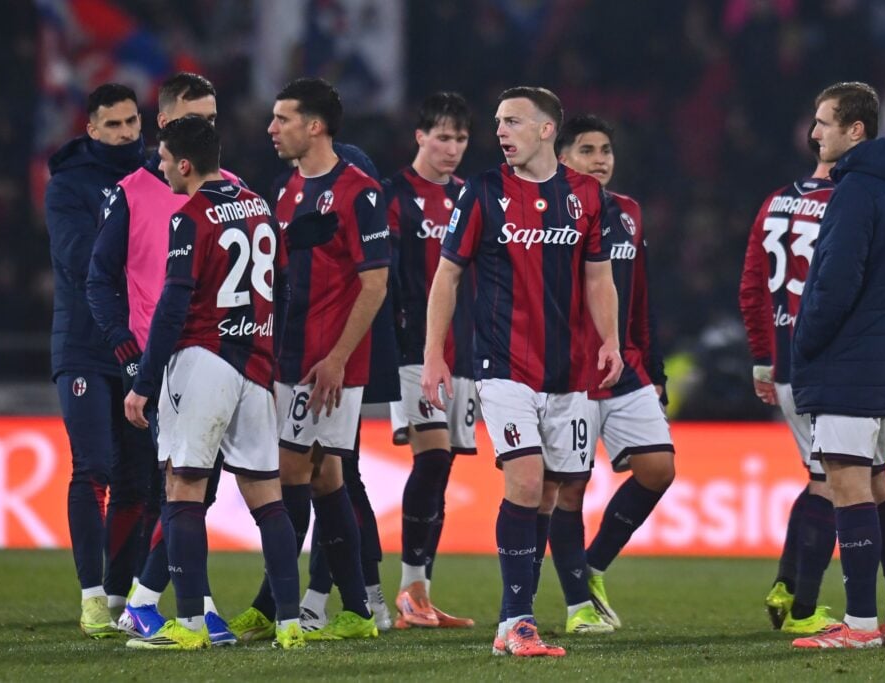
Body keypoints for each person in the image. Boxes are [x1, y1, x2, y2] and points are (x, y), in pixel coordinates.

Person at [422, 87, 623, 657]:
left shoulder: (585, 195)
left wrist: (610, 340)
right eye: (497, 121)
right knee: (528, 481)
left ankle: (520, 617)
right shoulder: (483, 191)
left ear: (544, 130)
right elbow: (448, 276)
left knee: (553, 493)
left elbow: (598, 276)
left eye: (512, 121)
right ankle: (514, 621)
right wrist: (435, 353)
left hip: (571, 370)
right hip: (502, 364)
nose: (501, 130)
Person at [122, 116, 303, 651]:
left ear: (184, 163)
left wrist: (144, 381)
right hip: (256, 365)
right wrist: (271, 353)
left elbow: (174, 303)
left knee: (183, 489)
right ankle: (289, 623)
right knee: (267, 498)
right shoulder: (258, 207)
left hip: (204, 360)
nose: (158, 166)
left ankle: (191, 625)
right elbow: (286, 290)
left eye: (162, 158)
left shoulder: (191, 216)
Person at [228, 77, 387, 643]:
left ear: (314, 126)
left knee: (295, 473)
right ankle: (356, 613)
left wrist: (340, 358)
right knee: (325, 477)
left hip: (328, 364)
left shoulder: (359, 192)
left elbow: (375, 284)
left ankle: (276, 604)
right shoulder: (285, 190)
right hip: (287, 356)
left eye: (283, 119)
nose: (271, 128)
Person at [87, 72, 240, 645]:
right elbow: (98, 281)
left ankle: (169, 604)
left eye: (211, 119)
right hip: (163, 366)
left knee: (194, 488)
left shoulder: (231, 191)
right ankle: (161, 605)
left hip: (220, 363)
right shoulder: (128, 194)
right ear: (164, 126)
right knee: (180, 488)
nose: (202, 129)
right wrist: (129, 355)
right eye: (189, 120)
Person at [790, 82, 885, 649]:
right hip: (880, 358)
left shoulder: (855, 191)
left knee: (847, 487)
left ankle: (862, 626)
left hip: (847, 361)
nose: (814, 133)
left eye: (824, 123)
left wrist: (806, 342)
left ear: (855, 131)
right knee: (877, 485)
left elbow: (835, 283)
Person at [553, 114, 675, 632]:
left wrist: (656, 365)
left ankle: (592, 563)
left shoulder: (628, 213)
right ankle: (579, 605)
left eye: (606, 149)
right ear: (562, 158)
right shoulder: (547, 213)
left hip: (625, 367)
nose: (600, 158)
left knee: (659, 469)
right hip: (570, 372)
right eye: (587, 150)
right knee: (570, 489)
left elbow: (640, 295)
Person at [45, 82, 150, 638]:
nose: (126, 133)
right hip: (85, 344)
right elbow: (80, 260)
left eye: (133, 122)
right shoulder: (68, 186)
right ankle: (90, 598)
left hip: (137, 348)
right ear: (91, 129)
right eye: (113, 125)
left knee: (137, 480)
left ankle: (115, 598)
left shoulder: (154, 177)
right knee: (93, 468)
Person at [739, 124, 840, 635]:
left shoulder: (776, 201)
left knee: (818, 478)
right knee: (835, 483)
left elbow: (752, 285)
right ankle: (805, 611)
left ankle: (787, 584)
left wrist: (763, 357)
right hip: (830, 365)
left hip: (784, 365)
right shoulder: (848, 201)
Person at [383, 92, 477, 629]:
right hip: (412, 351)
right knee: (433, 459)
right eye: (443, 136)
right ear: (420, 136)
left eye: (461, 139)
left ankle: (418, 594)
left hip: (462, 354)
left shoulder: (469, 197)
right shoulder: (393, 196)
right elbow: (384, 277)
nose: (452, 148)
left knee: (440, 474)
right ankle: (406, 590)